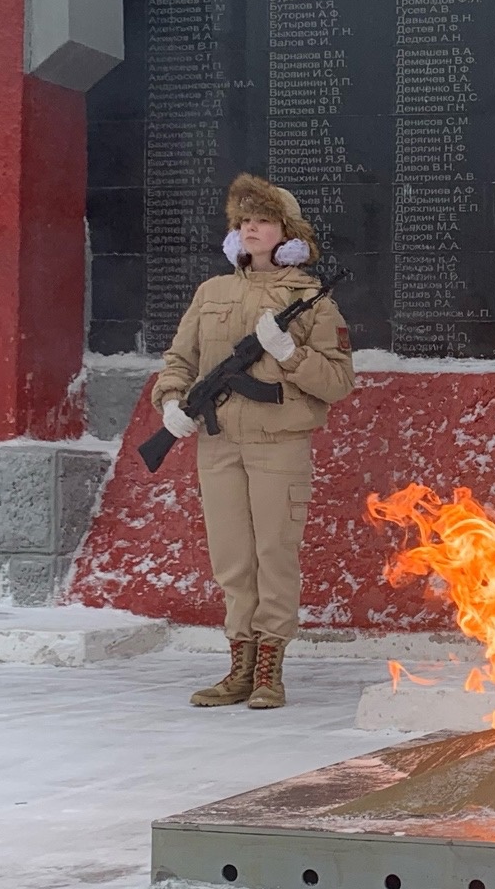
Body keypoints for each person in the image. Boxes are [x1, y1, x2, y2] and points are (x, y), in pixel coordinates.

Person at [151, 176, 356, 711]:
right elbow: (180, 360)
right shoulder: (211, 293)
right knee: (232, 560)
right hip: (218, 446)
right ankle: (239, 666)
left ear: (286, 232)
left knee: (274, 555)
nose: (251, 229)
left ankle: (269, 669)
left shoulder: (309, 296)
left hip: (279, 444)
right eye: (243, 221)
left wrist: (288, 353)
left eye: (262, 221)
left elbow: (338, 381)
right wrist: (171, 402)